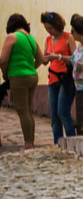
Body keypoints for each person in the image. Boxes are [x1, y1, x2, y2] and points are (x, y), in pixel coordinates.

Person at [5, 14, 44, 148]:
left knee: (22, 110)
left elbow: (3, 60)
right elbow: (41, 59)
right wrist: (30, 68)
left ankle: (28, 143)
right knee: (27, 110)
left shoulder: (12, 37)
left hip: (18, 77)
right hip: (32, 77)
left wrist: (5, 73)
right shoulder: (31, 39)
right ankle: (30, 141)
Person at [40, 11, 74, 145]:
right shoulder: (48, 40)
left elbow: (74, 58)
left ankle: (72, 141)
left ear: (57, 25)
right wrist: (44, 58)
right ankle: (58, 144)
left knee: (63, 112)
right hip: (52, 79)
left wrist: (58, 57)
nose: (49, 31)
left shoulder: (68, 37)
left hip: (65, 79)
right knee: (54, 116)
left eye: (50, 28)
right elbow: (45, 60)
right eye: (47, 29)